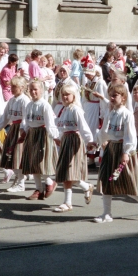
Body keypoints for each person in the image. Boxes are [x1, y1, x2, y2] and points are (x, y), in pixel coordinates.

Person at [89, 84, 138, 222]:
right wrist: (97, 142)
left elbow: (131, 135)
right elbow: (105, 131)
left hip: (121, 149)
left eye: (115, 95)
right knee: (107, 179)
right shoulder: (111, 113)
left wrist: (126, 152)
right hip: (111, 148)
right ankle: (106, 213)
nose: (111, 98)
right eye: (110, 95)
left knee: (123, 179)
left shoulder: (127, 114)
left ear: (123, 98)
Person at [52, 83, 96, 212]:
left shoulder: (76, 110)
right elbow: (59, 126)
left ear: (74, 96)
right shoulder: (63, 110)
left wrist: (90, 141)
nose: (65, 97)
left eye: (68, 94)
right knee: (65, 172)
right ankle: (83, 188)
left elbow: (83, 126)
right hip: (65, 140)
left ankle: (69, 201)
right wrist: (57, 138)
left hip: (74, 141)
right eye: (63, 95)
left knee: (69, 171)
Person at [19, 80, 59, 201]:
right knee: (32, 163)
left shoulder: (45, 105)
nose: (33, 92)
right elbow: (26, 120)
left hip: (42, 135)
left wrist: (56, 137)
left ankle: (49, 182)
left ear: (41, 90)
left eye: (35, 89)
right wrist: (23, 131)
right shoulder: (29, 105)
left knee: (41, 163)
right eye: (31, 89)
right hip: (32, 133)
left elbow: (50, 124)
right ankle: (39, 189)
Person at [0, 76, 31, 192]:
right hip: (13, 129)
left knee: (19, 156)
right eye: (11, 86)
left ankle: (21, 182)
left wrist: (23, 131)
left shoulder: (25, 100)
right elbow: (5, 117)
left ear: (22, 88)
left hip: (21, 130)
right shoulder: (11, 101)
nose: (11, 89)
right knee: (12, 156)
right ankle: (18, 179)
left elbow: (26, 118)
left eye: (14, 86)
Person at [80, 55, 109, 168]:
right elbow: (85, 97)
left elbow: (103, 98)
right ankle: (90, 157)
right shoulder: (88, 83)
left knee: (94, 132)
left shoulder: (100, 83)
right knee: (88, 131)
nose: (86, 75)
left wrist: (102, 114)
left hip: (96, 109)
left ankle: (95, 156)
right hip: (88, 109)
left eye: (88, 72)